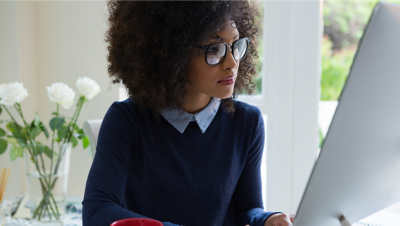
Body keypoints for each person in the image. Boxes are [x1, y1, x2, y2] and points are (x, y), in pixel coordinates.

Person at [82, 0, 295, 225]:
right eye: (214, 49)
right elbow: (98, 210)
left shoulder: (247, 122)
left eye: (235, 45)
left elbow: (246, 208)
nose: (231, 63)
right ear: (172, 53)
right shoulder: (127, 120)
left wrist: (266, 219)